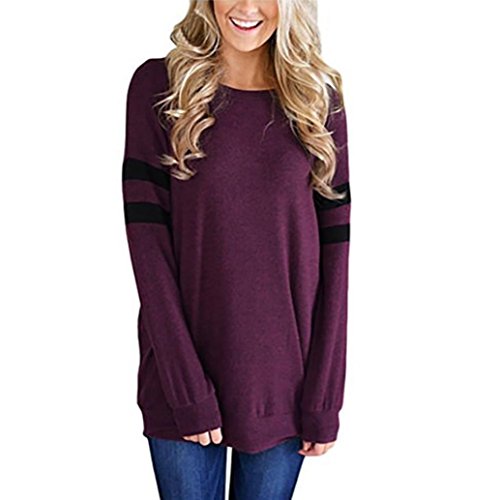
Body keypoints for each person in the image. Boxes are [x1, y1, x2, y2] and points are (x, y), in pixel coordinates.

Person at [121, 0, 351, 498]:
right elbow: (148, 250)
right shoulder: (159, 88)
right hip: (180, 380)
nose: (247, 7)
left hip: (285, 387)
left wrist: (325, 395)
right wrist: (186, 388)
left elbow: (336, 257)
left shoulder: (318, 98)